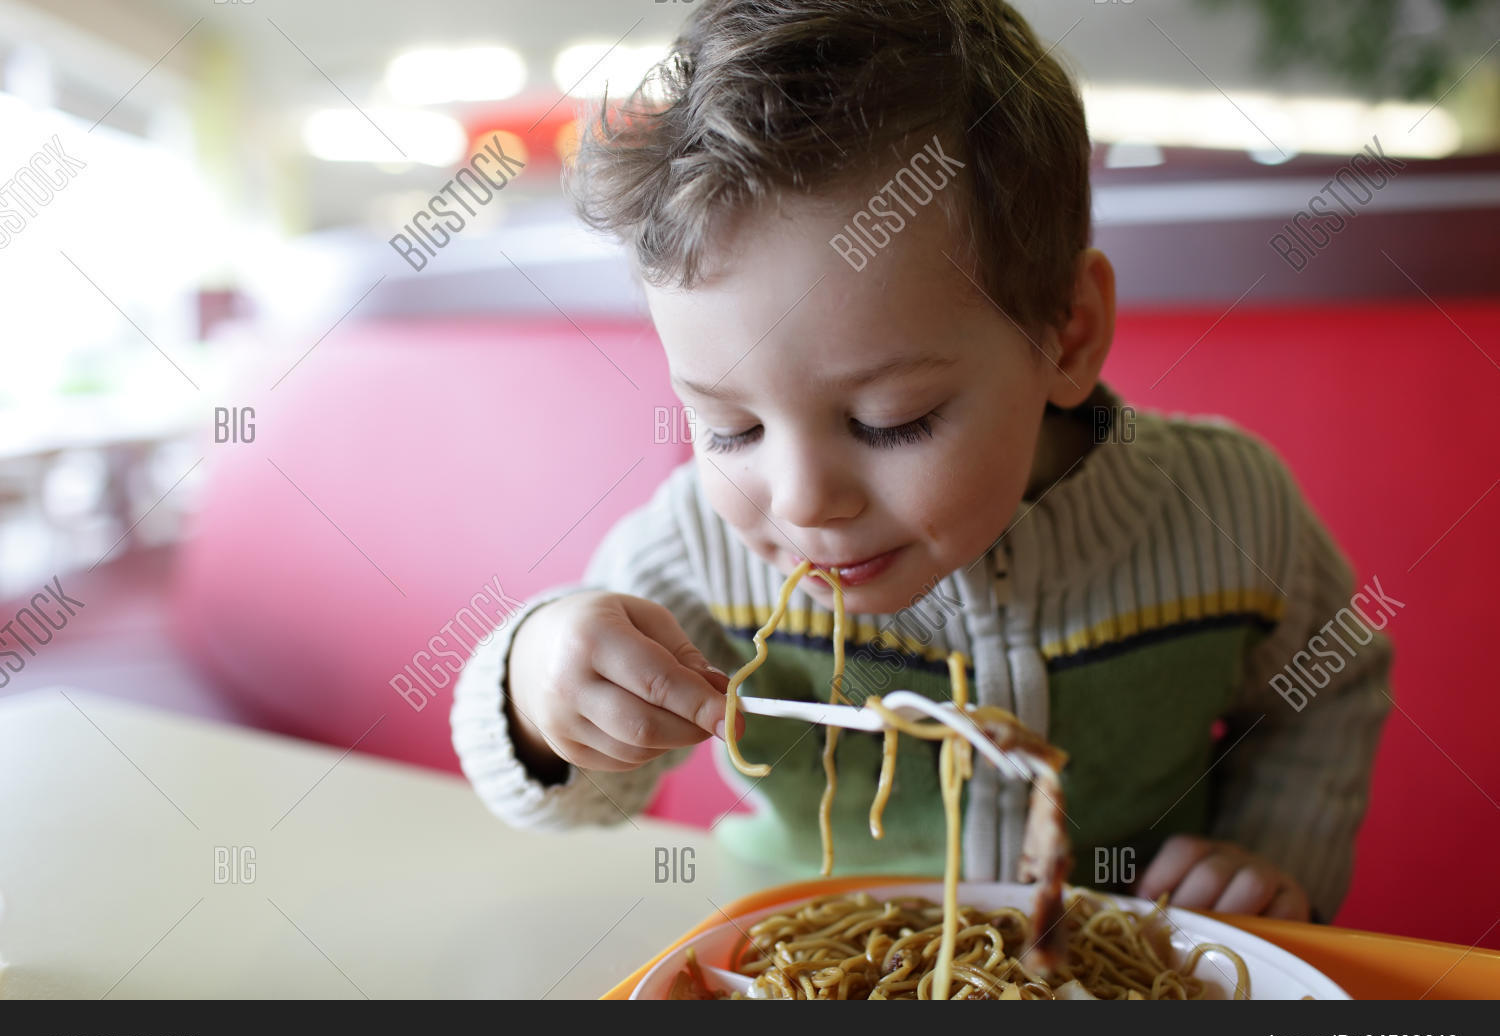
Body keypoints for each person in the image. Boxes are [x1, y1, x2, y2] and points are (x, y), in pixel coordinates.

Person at [451, 0, 1392, 923]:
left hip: (1113, 972)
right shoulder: (697, 549)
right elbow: (587, 795)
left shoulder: (1228, 510)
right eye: (732, 428)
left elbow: (1331, 688)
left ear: (1067, 333)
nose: (803, 502)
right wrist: (539, 691)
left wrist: (1270, 851)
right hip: (801, 964)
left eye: (890, 421)